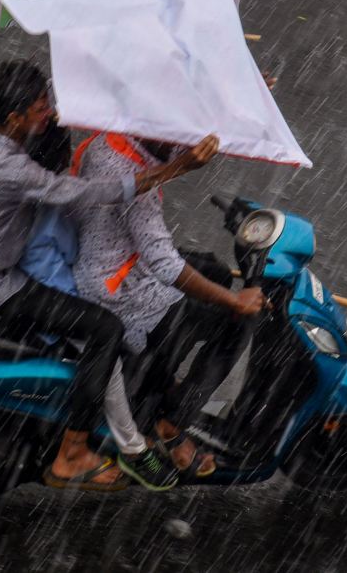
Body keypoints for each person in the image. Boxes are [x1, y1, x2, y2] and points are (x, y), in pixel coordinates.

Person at [0, 59, 218, 491]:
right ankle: (73, 454)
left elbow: (66, 92)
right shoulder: (14, 173)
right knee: (103, 329)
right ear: (15, 119)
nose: (49, 112)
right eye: (40, 110)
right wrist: (174, 169)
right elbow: (93, 193)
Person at [72, 131, 266, 477]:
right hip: (122, 291)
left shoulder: (108, 139)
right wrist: (235, 300)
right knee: (238, 322)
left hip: (104, 260)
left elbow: (180, 154)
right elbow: (166, 265)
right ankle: (173, 421)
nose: (182, 142)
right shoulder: (133, 184)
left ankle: (160, 380)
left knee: (212, 268)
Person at [19, 119, 182, 491]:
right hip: (55, 297)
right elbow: (53, 276)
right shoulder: (52, 210)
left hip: (56, 285)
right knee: (104, 338)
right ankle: (132, 448)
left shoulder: (53, 191)